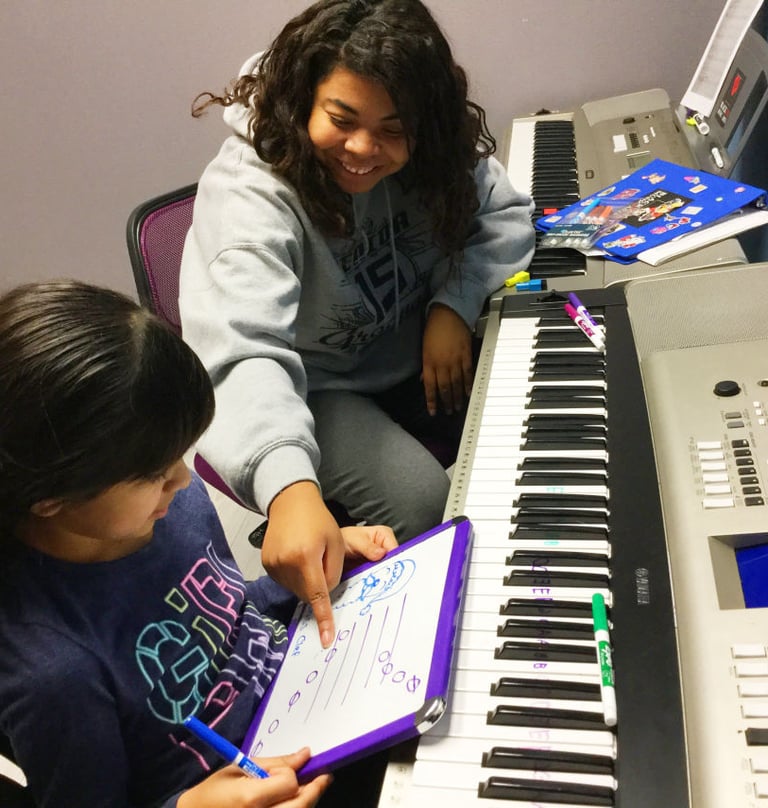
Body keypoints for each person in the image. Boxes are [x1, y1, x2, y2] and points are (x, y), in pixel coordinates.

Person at [179, 0, 535, 648]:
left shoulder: (433, 152)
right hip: (319, 386)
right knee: (424, 503)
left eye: (393, 130)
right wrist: (288, 488)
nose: (365, 149)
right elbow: (241, 352)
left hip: (419, 344)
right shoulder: (249, 195)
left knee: (533, 419)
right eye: (342, 120)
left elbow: (504, 216)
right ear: (303, 100)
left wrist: (452, 306)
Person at [0, 280, 397, 807]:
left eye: (180, 454)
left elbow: (223, 621)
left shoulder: (169, 508)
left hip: (313, 706)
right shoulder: (53, 674)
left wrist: (305, 577)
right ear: (50, 499)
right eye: (154, 474)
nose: (184, 481)